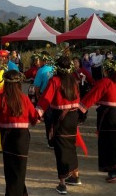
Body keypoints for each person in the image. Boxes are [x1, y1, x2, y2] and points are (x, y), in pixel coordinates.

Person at [36, 56, 82, 195]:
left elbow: (45, 99)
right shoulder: (74, 81)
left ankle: (62, 184)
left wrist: (37, 114)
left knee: (61, 149)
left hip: (60, 118)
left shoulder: (55, 81)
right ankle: (75, 176)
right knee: (71, 145)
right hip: (73, 117)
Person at [78, 59, 116, 182]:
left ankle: (113, 171)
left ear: (106, 71)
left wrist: (80, 109)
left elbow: (93, 95)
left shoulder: (106, 82)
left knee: (107, 142)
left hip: (109, 115)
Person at [33, 52, 54, 147]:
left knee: (48, 119)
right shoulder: (55, 68)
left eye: (40, 60)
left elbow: (36, 86)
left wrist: (37, 95)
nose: (39, 62)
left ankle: (50, 141)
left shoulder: (41, 71)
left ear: (44, 60)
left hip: (45, 96)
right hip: (56, 96)